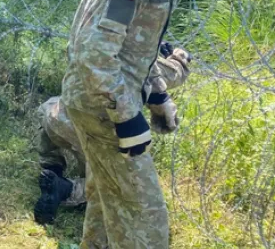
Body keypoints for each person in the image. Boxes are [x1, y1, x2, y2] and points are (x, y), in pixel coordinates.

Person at [60, 0, 239, 249]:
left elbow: (136, 49)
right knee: (145, 222)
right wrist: (127, 117)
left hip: (107, 100)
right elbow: (93, 52)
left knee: (107, 202)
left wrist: (157, 94)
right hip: (101, 109)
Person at [34, 42, 192, 224]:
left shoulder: (91, 43)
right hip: (98, 134)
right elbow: (174, 73)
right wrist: (179, 57)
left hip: (61, 118)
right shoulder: (141, 60)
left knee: (48, 108)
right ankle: (67, 189)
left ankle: (51, 167)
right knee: (121, 184)